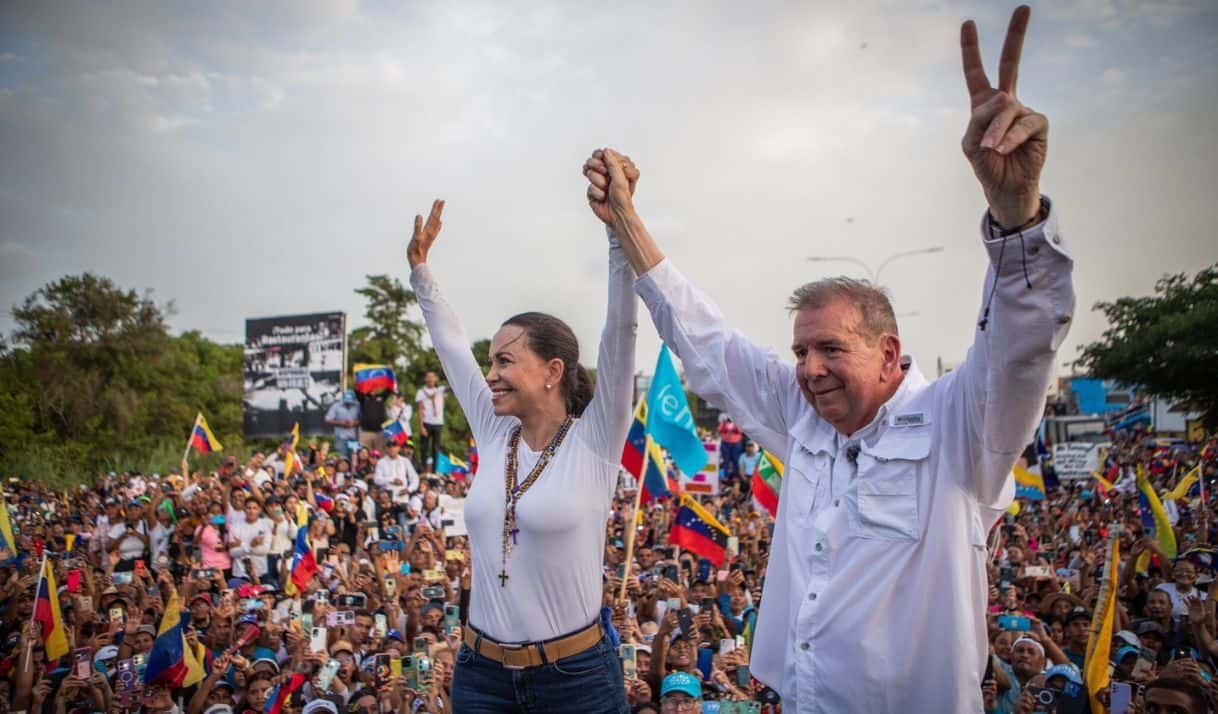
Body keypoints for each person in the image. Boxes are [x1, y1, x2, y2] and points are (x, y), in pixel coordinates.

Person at [584, 6, 1073, 710]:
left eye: (831, 350)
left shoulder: (961, 429)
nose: (808, 370)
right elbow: (706, 342)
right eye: (800, 351)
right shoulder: (800, 414)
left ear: (889, 353)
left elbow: (1021, 350)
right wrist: (626, 220)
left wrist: (1017, 216)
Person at [406, 180, 636, 712]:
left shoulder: (595, 440)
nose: (490, 376)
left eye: (505, 362)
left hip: (575, 681)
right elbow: (450, 345)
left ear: (554, 371)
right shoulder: (493, 430)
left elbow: (621, 334)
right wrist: (421, 272)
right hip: (481, 677)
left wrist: (617, 234)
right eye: (490, 363)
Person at [416, 372, 448, 473]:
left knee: (436, 448)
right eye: (428, 377)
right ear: (425, 379)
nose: (430, 379)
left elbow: (450, 387)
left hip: (438, 423)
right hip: (426, 422)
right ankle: (424, 471)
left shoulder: (440, 390)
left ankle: (434, 471)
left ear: (436, 379)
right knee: (424, 448)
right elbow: (420, 409)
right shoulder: (421, 392)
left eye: (433, 377)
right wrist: (421, 426)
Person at [325, 389, 361, 457]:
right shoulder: (336, 405)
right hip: (340, 438)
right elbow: (328, 419)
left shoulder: (358, 405)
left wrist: (354, 423)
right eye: (346, 402)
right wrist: (342, 423)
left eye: (350, 402)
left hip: (354, 438)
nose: (348, 404)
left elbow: (362, 420)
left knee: (354, 458)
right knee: (342, 458)